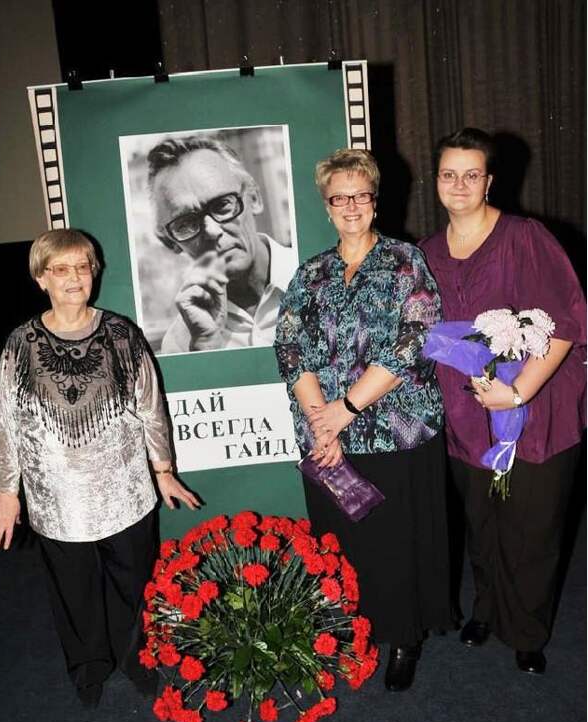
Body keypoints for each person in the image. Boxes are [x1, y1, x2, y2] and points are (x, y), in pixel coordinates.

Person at [0, 229, 201, 707]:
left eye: (82, 267)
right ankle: (88, 668)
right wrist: (6, 494)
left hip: (125, 492)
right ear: (41, 279)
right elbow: (4, 423)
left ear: (94, 273)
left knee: (133, 584)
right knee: (73, 592)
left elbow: (151, 408)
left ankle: (138, 659)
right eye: (60, 269)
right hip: (57, 501)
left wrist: (162, 470)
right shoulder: (20, 345)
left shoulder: (122, 334)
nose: (74, 278)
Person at [275, 148, 453, 692]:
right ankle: (352, 631)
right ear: (326, 206)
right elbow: (290, 349)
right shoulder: (311, 273)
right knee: (342, 544)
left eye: (361, 195)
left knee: (397, 544)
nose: (351, 206)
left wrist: (345, 410)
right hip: (328, 438)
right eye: (339, 197)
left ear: (376, 202)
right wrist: (322, 423)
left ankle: (403, 635)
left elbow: (413, 342)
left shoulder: (405, 261)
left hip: (396, 431)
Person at [420, 128, 586, 675]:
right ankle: (488, 610)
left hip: (536, 410)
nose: (459, 185)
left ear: (489, 181)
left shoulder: (524, 237)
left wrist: (517, 391)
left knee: (532, 526)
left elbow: (568, 321)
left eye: (471, 174)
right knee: (482, 520)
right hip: (467, 415)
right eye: (449, 174)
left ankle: (527, 630)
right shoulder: (426, 253)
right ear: (436, 181)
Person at [148, 134, 297, 353]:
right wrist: (206, 345)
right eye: (186, 222)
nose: (212, 231)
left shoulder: (322, 279)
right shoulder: (181, 343)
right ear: (171, 243)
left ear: (254, 199)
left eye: (222, 205)